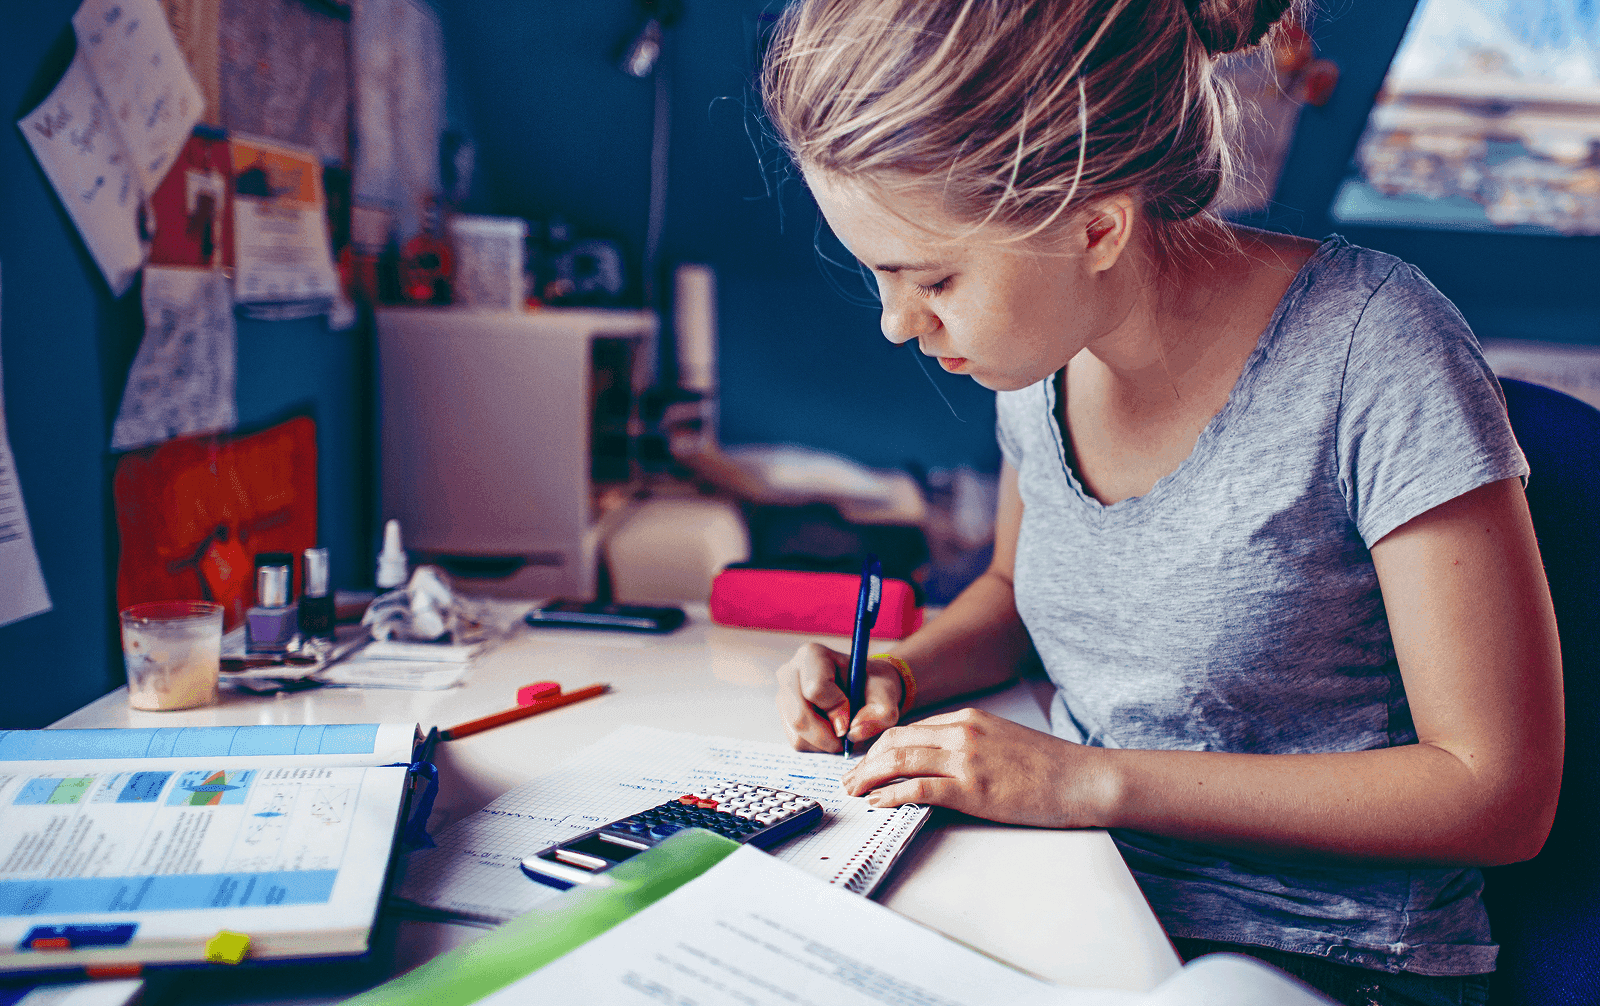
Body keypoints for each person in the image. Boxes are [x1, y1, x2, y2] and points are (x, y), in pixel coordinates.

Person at [762, 2, 1564, 1003]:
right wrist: (895, 672)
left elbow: (1497, 792)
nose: (895, 324)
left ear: (1095, 227)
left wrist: (1088, 781)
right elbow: (1013, 596)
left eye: (930, 277)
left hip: (1325, 963)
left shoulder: (1377, 348)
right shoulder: (1035, 364)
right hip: (1083, 897)